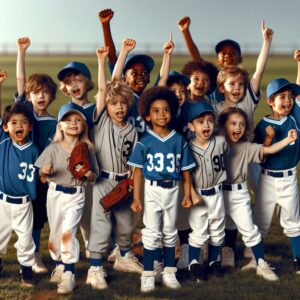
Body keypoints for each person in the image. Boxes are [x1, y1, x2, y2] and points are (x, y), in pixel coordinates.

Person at [128, 86, 196, 292]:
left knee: (169, 231)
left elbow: (185, 171)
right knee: (150, 232)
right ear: (147, 115)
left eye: (166, 109)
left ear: (173, 111)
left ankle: (169, 271)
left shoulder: (179, 140)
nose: (161, 114)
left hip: (173, 189)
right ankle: (148, 273)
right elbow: (137, 172)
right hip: (152, 190)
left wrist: (187, 194)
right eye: (156, 110)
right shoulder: (144, 141)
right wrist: (136, 198)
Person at [218, 107, 297, 281]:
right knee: (213, 230)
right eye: (233, 124)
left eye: (242, 125)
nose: (238, 128)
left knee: (250, 230)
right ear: (223, 125)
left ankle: (261, 263)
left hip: (238, 194)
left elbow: (268, 150)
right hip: (216, 193)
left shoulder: (246, 147)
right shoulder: (214, 144)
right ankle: (209, 263)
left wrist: (287, 140)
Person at [86, 47, 142, 291]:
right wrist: (108, 59)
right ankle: (95, 268)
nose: (119, 107)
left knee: (126, 222)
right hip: (103, 181)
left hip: (124, 181)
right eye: (114, 104)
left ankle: (124, 257)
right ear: (106, 106)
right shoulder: (101, 121)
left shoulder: (132, 128)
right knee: (101, 224)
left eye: (123, 103)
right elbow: (106, 87)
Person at [35, 103, 99, 295]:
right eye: (68, 120)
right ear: (60, 126)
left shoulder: (87, 149)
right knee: (55, 234)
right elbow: (41, 176)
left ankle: (69, 274)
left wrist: (88, 174)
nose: (73, 123)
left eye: (78, 120)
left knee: (68, 232)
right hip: (55, 194)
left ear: (83, 126)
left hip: (76, 195)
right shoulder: (52, 148)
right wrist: (44, 172)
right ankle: (60, 264)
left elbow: (94, 175)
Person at [16, 37, 58, 274]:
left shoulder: (54, 123)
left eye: (45, 93)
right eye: (36, 93)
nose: (40, 96)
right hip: (18, 175)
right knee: (14, 218)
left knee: (37, 218)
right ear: (29, 96)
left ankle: (34, 256)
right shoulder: (24, 114)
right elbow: (21, 82)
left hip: (40, 178)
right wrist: (21, 52)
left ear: (51, 96)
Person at [251, 78, 300, 274]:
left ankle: (298, 260)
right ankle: (258, 261)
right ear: (270, 101)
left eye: (290, 96)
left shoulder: (295, 118)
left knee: (294, 222)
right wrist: (269, 137)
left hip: (289, 179)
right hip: (267, 179)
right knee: (260, 222)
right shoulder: (263, 125)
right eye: (282, 97)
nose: (287, 101)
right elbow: (260, 156)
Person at [178, 17, 272, 102]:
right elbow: (197, 59)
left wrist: (266, 42)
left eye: (233, 53)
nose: (228, 55)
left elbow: (259, 71)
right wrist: (185, 31)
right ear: (217, 60)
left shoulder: (243, 83)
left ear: (240, 59)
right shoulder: (214, 80)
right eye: (223, 53)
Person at [57, 60, 96, 257]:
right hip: (76, 169)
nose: (74, 84)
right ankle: (83, 248)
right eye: (69, 81)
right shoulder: (65, 110)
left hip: (97, 165)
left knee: (97, 210)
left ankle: (104, 246)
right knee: (79, 212)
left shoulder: (95, 108)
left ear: (88, 84)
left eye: (79, 80)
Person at [186, 101, 228, 281]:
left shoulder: (220, 142)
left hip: (217, 192)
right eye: (200, 121)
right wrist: (191, 193)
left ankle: (213, 262)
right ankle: (193, 263)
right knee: (199, 230)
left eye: (210, 121)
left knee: (218, 229)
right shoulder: (187, 147)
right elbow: (185, 175)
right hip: (199, 195)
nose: (206, 125)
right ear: (191, 126)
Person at [0, 97, 39, 288]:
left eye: (24, 122)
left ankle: (26, 270)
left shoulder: (34, 150)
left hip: (24, 204)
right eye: (13, 122)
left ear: (30, 127)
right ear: (6, 127)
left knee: (25, 239)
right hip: (3, 203)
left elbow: (40, 176)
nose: (19, 125)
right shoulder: (3, 143)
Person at [111, 38, 155, 136]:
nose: (140, 76)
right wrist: (124, 51)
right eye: (134, 73)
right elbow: (114, 81)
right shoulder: (123, 97)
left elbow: (162, 79)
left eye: (144, 73)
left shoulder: (151, 98)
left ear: (149, 78)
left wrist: (166, 54)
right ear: (124, 79)